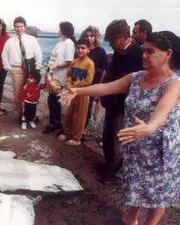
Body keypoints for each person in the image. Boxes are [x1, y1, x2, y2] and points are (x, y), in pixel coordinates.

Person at [60, 31, 180, 225]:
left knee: (158, 193)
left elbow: (162, 111)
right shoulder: (137, 77)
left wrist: (150, 127)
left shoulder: (174, 84)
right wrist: (78, 91)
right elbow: (106, 87)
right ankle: (130, 219)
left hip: (161, 150)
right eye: (143, 50)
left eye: (150, 52)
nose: (144, 55)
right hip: (135, 142)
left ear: (168, 53)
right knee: (136, 185)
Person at [100, 19, 143, 175]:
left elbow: (137, 84)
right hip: (111, 102)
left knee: (120, 137)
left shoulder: (138, 54)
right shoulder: (119, 52)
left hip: (123, 105)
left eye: (112, 40)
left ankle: (116, 171)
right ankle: (108, 163)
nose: (110, 44)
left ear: (124, 37)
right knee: (108, 136)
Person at [2, 16, 42, 122]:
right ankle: (21, 115)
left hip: (31, 70)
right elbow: (4, 56)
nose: (19, 29)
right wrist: (9, 68)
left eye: (21, 26)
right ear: (14, 28)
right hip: (16, 70)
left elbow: (38, 54)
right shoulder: (9, 41)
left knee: (33, 92)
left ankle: (32, 115)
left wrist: (37, 68)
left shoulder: (32, 39)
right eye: (17, 27)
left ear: (25, 27)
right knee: (18, 94)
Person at [57, 39, 95, 146]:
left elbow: (88, 81)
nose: (80, 50)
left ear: (88, 50)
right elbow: (69, 75)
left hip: (83, 93)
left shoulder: (90, 63)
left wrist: (75, 86)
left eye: (83, 48)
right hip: (71, 92)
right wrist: (68, 84)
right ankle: (67, 132)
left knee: (80, 115)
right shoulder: (74, 62)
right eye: (78, 48)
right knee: (69, 113)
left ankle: (77, 138)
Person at [42, 22, 75, 134]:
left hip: (60, 77)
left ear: (64, 30)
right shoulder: (61, 42)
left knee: (53, 100)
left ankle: (54, 123)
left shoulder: (69, 43)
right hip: (53, 76)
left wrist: (56, 66)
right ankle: (56, 122)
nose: (58, 30)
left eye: (59, 28)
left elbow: (69, 61)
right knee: (53, 100)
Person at [80, 25, 108, 131]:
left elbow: (104, 70)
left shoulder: (101, 52)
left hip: (93, 84)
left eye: (92, 36)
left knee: (87, 108)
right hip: (80, 83)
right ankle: (76, 128)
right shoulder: (81, 50)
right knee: (78, 107)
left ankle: (83, 130)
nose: (89, 38)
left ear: (95, 37)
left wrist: (100, 86)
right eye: (87, 36)